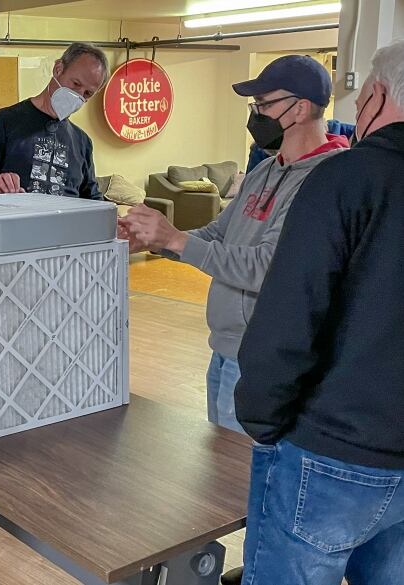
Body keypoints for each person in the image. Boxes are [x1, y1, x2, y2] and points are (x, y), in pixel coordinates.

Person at [233, 39, 404, 585]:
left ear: (376, 94)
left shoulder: (345, 178)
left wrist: (263, 420)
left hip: (332, 452)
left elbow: (290, 317)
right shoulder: (268, 173)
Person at [118, 55, 348, 435]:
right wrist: (153, 241)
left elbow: (265, 268)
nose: (256, 115)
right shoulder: (265, 170)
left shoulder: (325, 181)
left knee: (238, 474)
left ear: (301, 108)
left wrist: (174, 238)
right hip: (225, 349)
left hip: (264, 357)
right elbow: (217, 235)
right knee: (220, 468)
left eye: (265, 105)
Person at [0, 42, 107, 199]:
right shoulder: (4, 122)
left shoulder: (82, 142)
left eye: (87, 93)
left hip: (65, 223)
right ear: (58, 69)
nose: (78, 95)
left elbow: (93, 200)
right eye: (75, 84)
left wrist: (114, 218)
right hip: (14, 221)